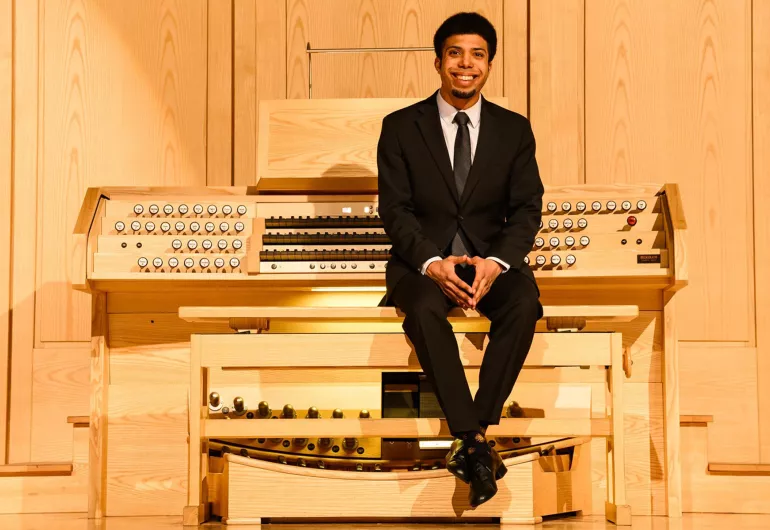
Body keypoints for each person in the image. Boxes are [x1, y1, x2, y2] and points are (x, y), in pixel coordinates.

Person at [376, 11, 544, 507]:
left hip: (489, 261)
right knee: (425, 312)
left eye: (476, 54)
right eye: (455, 53)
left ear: (489, 64)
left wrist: (497, 263)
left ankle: (473, 435)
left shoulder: (514, 130)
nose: (465, 64)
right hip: (422, 263)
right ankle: (474, 441)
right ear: (438, 61)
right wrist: (432, 262)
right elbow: (396, 209)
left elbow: (527, 208)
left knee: (523, 306)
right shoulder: (401, 127)